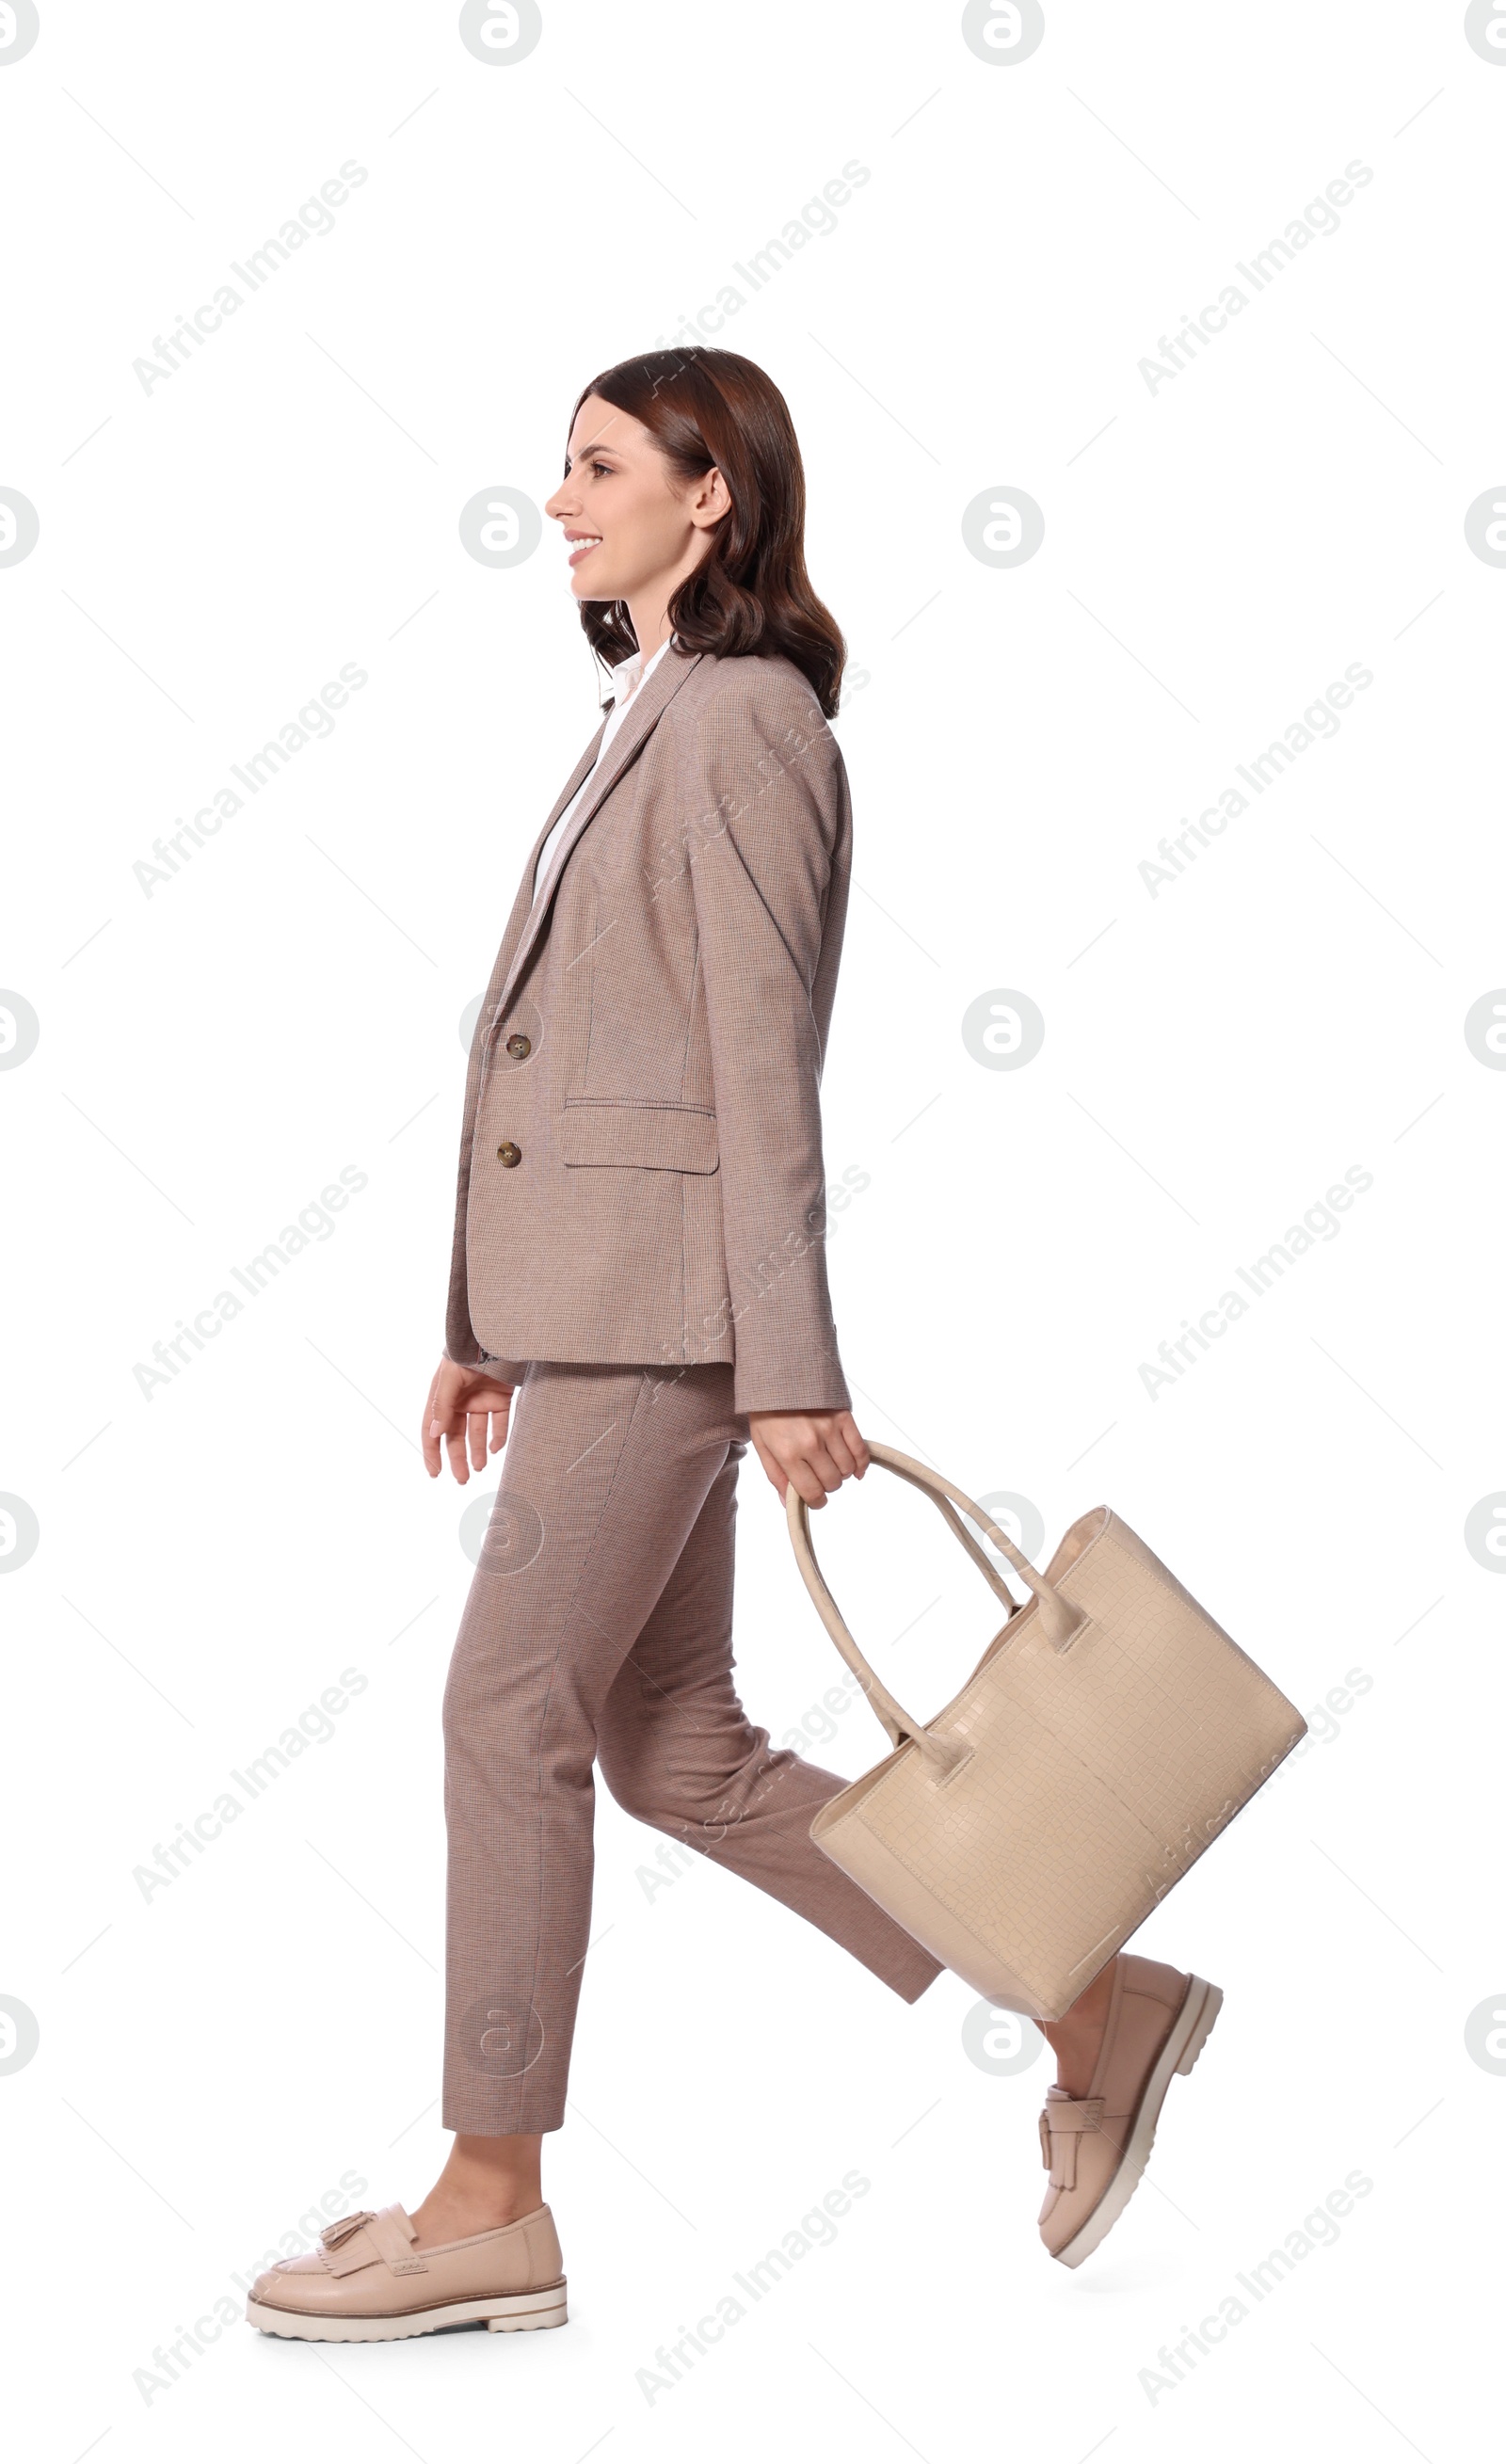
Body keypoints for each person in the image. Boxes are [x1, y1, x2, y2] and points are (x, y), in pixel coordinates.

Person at [245, 349, 1218, 2344]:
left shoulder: (749, 720)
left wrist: (787, 1366)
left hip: (673, 1327)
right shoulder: (655, 709)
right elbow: (581, 1054)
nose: (559, 501)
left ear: (713, 496)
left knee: (497, 1710)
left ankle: (488, 2190)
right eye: (559, 467)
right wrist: (480, 1317)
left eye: (598, 467)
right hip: (602, 1312)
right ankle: (1094, 1999)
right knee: (674, 1750)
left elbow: (755, 1066)